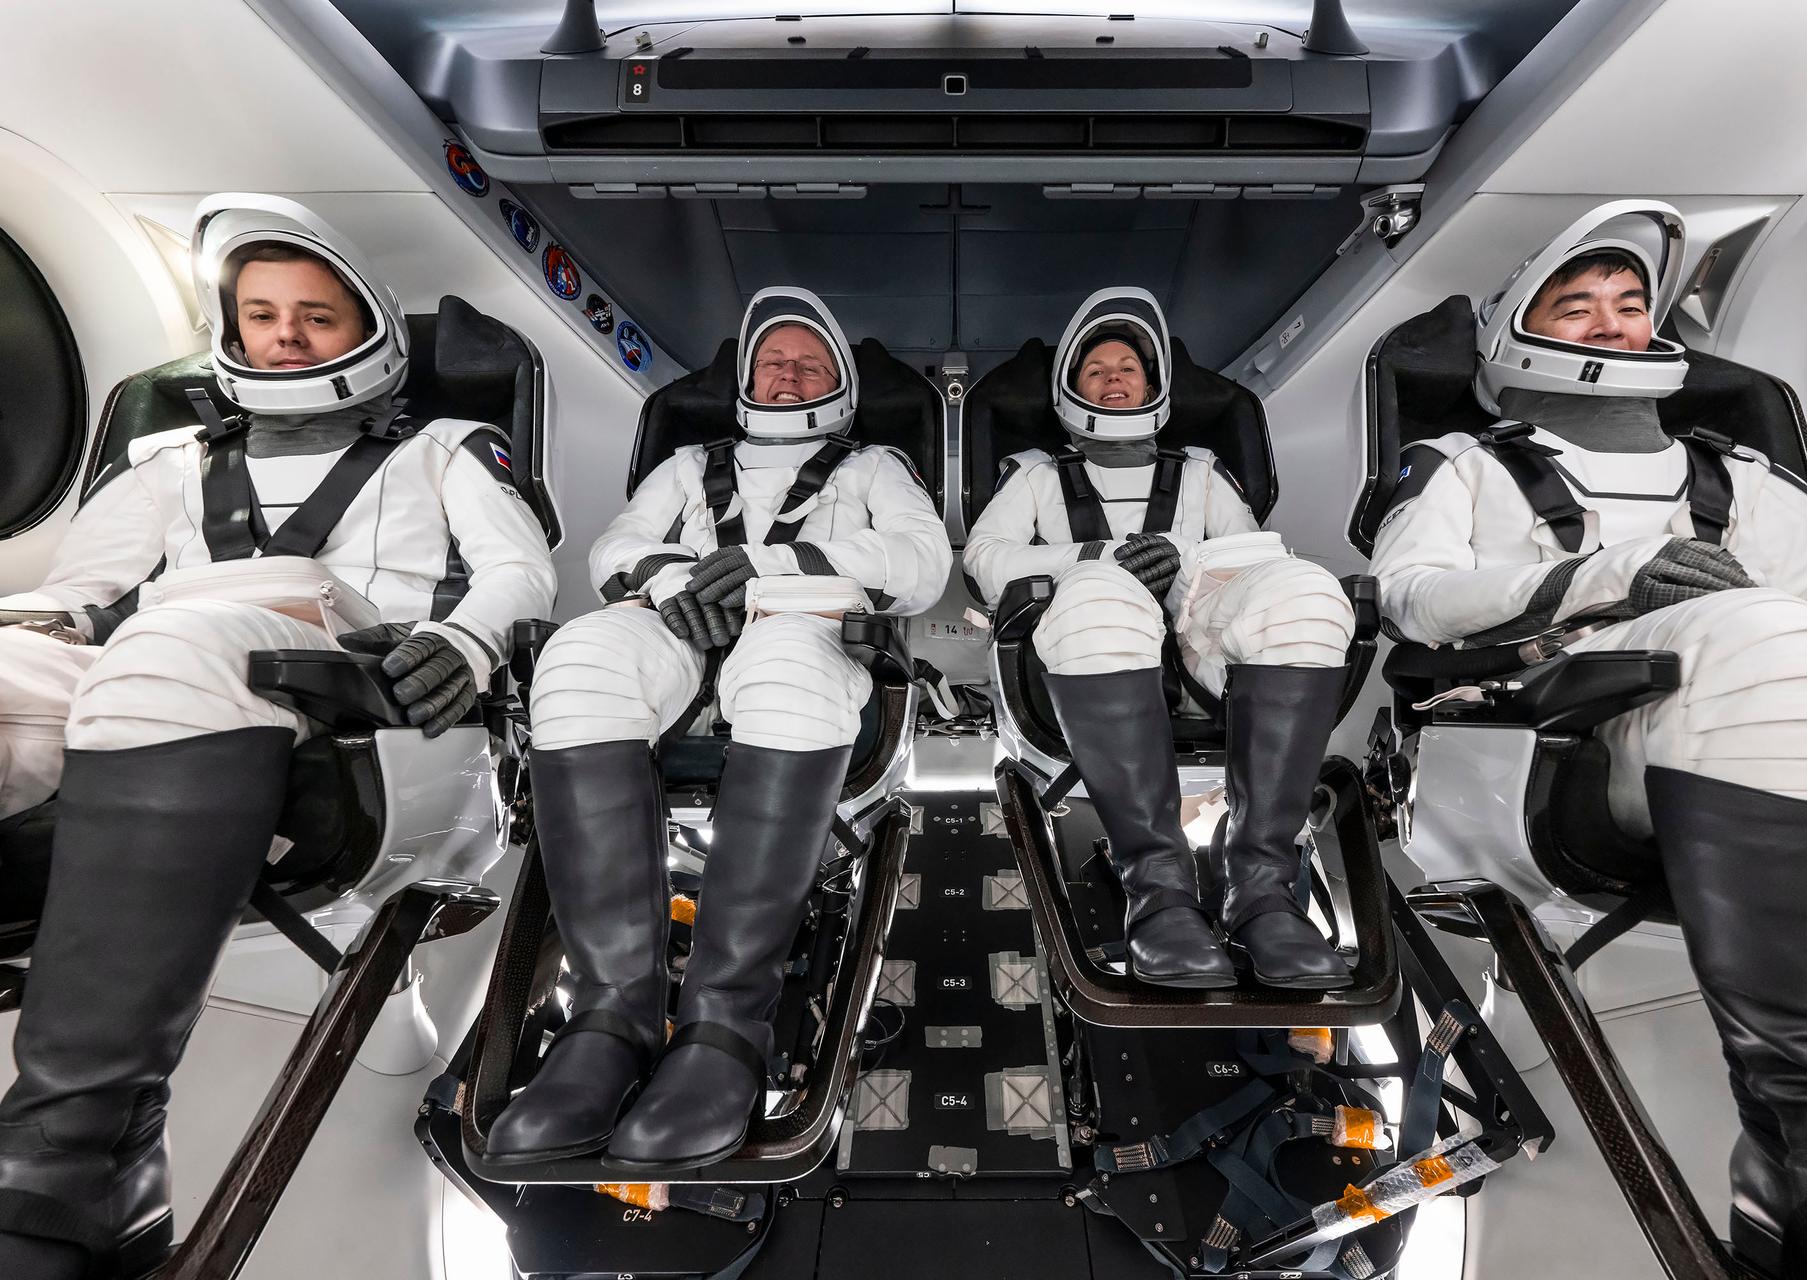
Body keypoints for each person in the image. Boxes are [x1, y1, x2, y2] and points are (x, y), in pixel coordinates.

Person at [0, 194, 557, 1280]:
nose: (287, 335)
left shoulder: (447, 447)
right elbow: (76, 597)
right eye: (263, 314)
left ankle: (70, 1158)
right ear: (234, 329)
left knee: (181, 644)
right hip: (159, 671)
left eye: (315, 314)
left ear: (369, 328)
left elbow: (518, 572)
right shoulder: (163, 461)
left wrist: (469, 643)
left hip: (374, 690)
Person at [1369, 200, 1807, 1278]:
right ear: (1516, 332)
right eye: (1579, 305)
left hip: (1768, 706)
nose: (1614, 323)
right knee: (1760, 633)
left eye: (1631, 304)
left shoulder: (1743, 478)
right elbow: (1413, 596)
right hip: (1556, 737)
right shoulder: (1462, 465)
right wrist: (1601, 576)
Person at [485, 287, 948, 1173]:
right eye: (772, 359)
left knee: (785, 670)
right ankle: (611, 1020)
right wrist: (671, 583)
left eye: (808, 361)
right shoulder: (688, 464)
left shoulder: (874, 468)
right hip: (679, 622)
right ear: (745, 380)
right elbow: (615, 549)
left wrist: (776, 564)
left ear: (839, 385)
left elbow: (921, 564)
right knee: (580, 658)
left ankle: (725, 1031)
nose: (787, 372)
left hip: (807, 623)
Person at [963, 288, 1353, 990]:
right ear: (1069, 390)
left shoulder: (1201, 472)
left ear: (1154, 385)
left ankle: (1262, 890)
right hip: (1088, 642)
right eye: (1096, 371)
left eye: (1128, 369)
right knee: (1098, 597)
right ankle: (1158, 894)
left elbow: (1257, 560)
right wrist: (1098, 562)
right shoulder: (1035, 476)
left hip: (1203, 645)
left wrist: (1184, 569)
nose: (1115, 379)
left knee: (1306, 590)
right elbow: (986, 561)